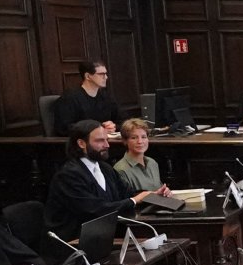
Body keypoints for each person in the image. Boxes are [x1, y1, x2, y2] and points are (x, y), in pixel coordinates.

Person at [45, 120, 152, 248]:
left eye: (106, 140)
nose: (107, 145)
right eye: (100, 141)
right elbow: (95, 210)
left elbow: (127, 193)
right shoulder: (68, 175)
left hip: (102, 238)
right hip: (72, 245)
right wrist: (134, 200)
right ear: (81, 143)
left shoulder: (104, 168)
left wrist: (153, 196)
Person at [51, 60, 118, 136]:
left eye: (105, 74)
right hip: (81, 143)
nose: (106, 77)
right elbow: (64, 128)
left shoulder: (106, 97)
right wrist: (99, 129)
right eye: (101, 74)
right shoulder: (69, 98)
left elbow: (121, 119)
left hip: (105, 140)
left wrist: (113, 126)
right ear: (88, 76)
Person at [112, 118, 171, 193]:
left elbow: (159, 189)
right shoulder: (120, 170)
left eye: (143, 137)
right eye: (134, 138)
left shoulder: (152, 163)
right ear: (125, 141)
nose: (140, 141)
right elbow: (127, 200)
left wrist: (165, 192)